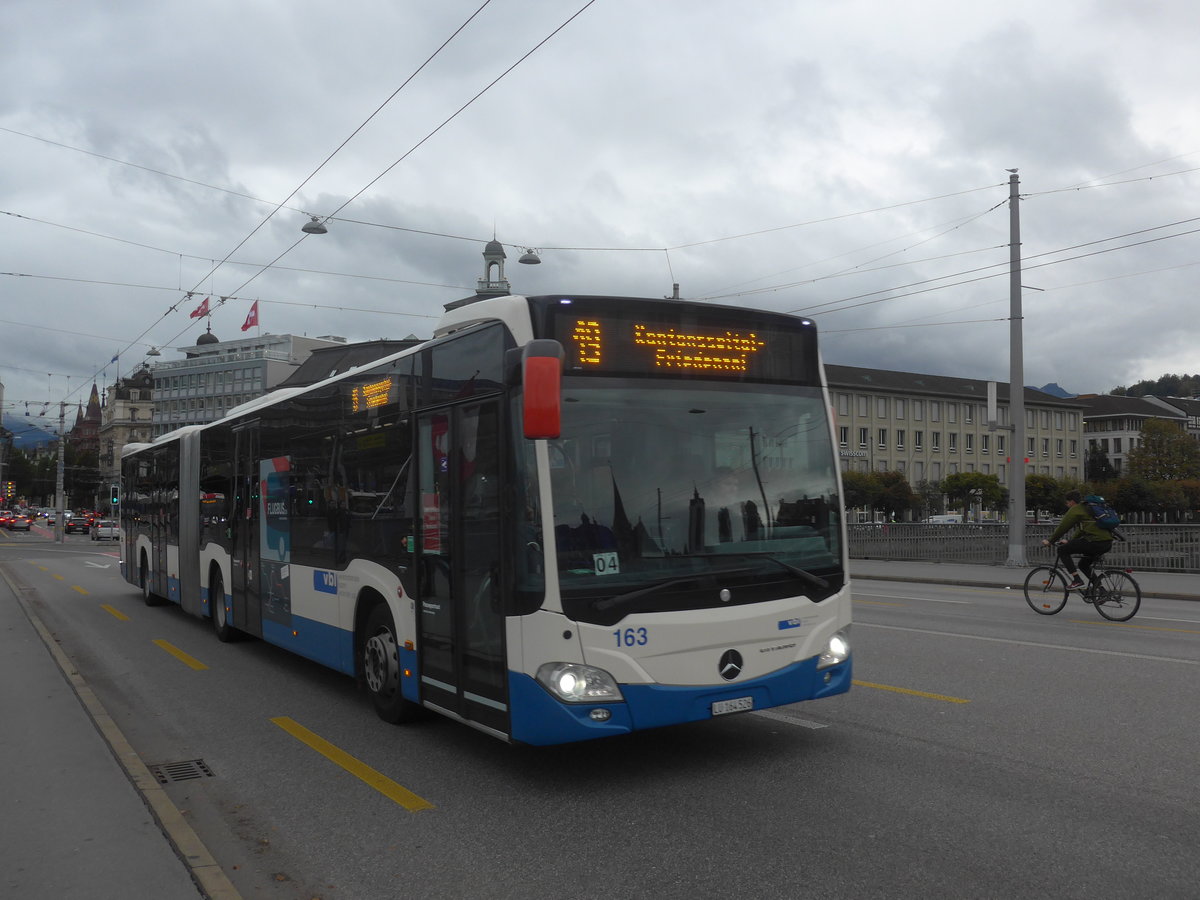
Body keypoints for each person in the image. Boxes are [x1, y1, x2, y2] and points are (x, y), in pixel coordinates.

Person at [1041, 490, 1113, 590]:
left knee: (1062, 550)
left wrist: (1050, 541)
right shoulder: (1087, 508)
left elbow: (1063, 527)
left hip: (1094, 542)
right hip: (1107, 543)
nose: (1067, 505)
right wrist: (1070, 541)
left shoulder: (1076, 509)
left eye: (1067, 502)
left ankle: (1077, 580)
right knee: (1083, 565)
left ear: (1072, 502)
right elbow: (1081, 530)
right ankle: (1101, 590)